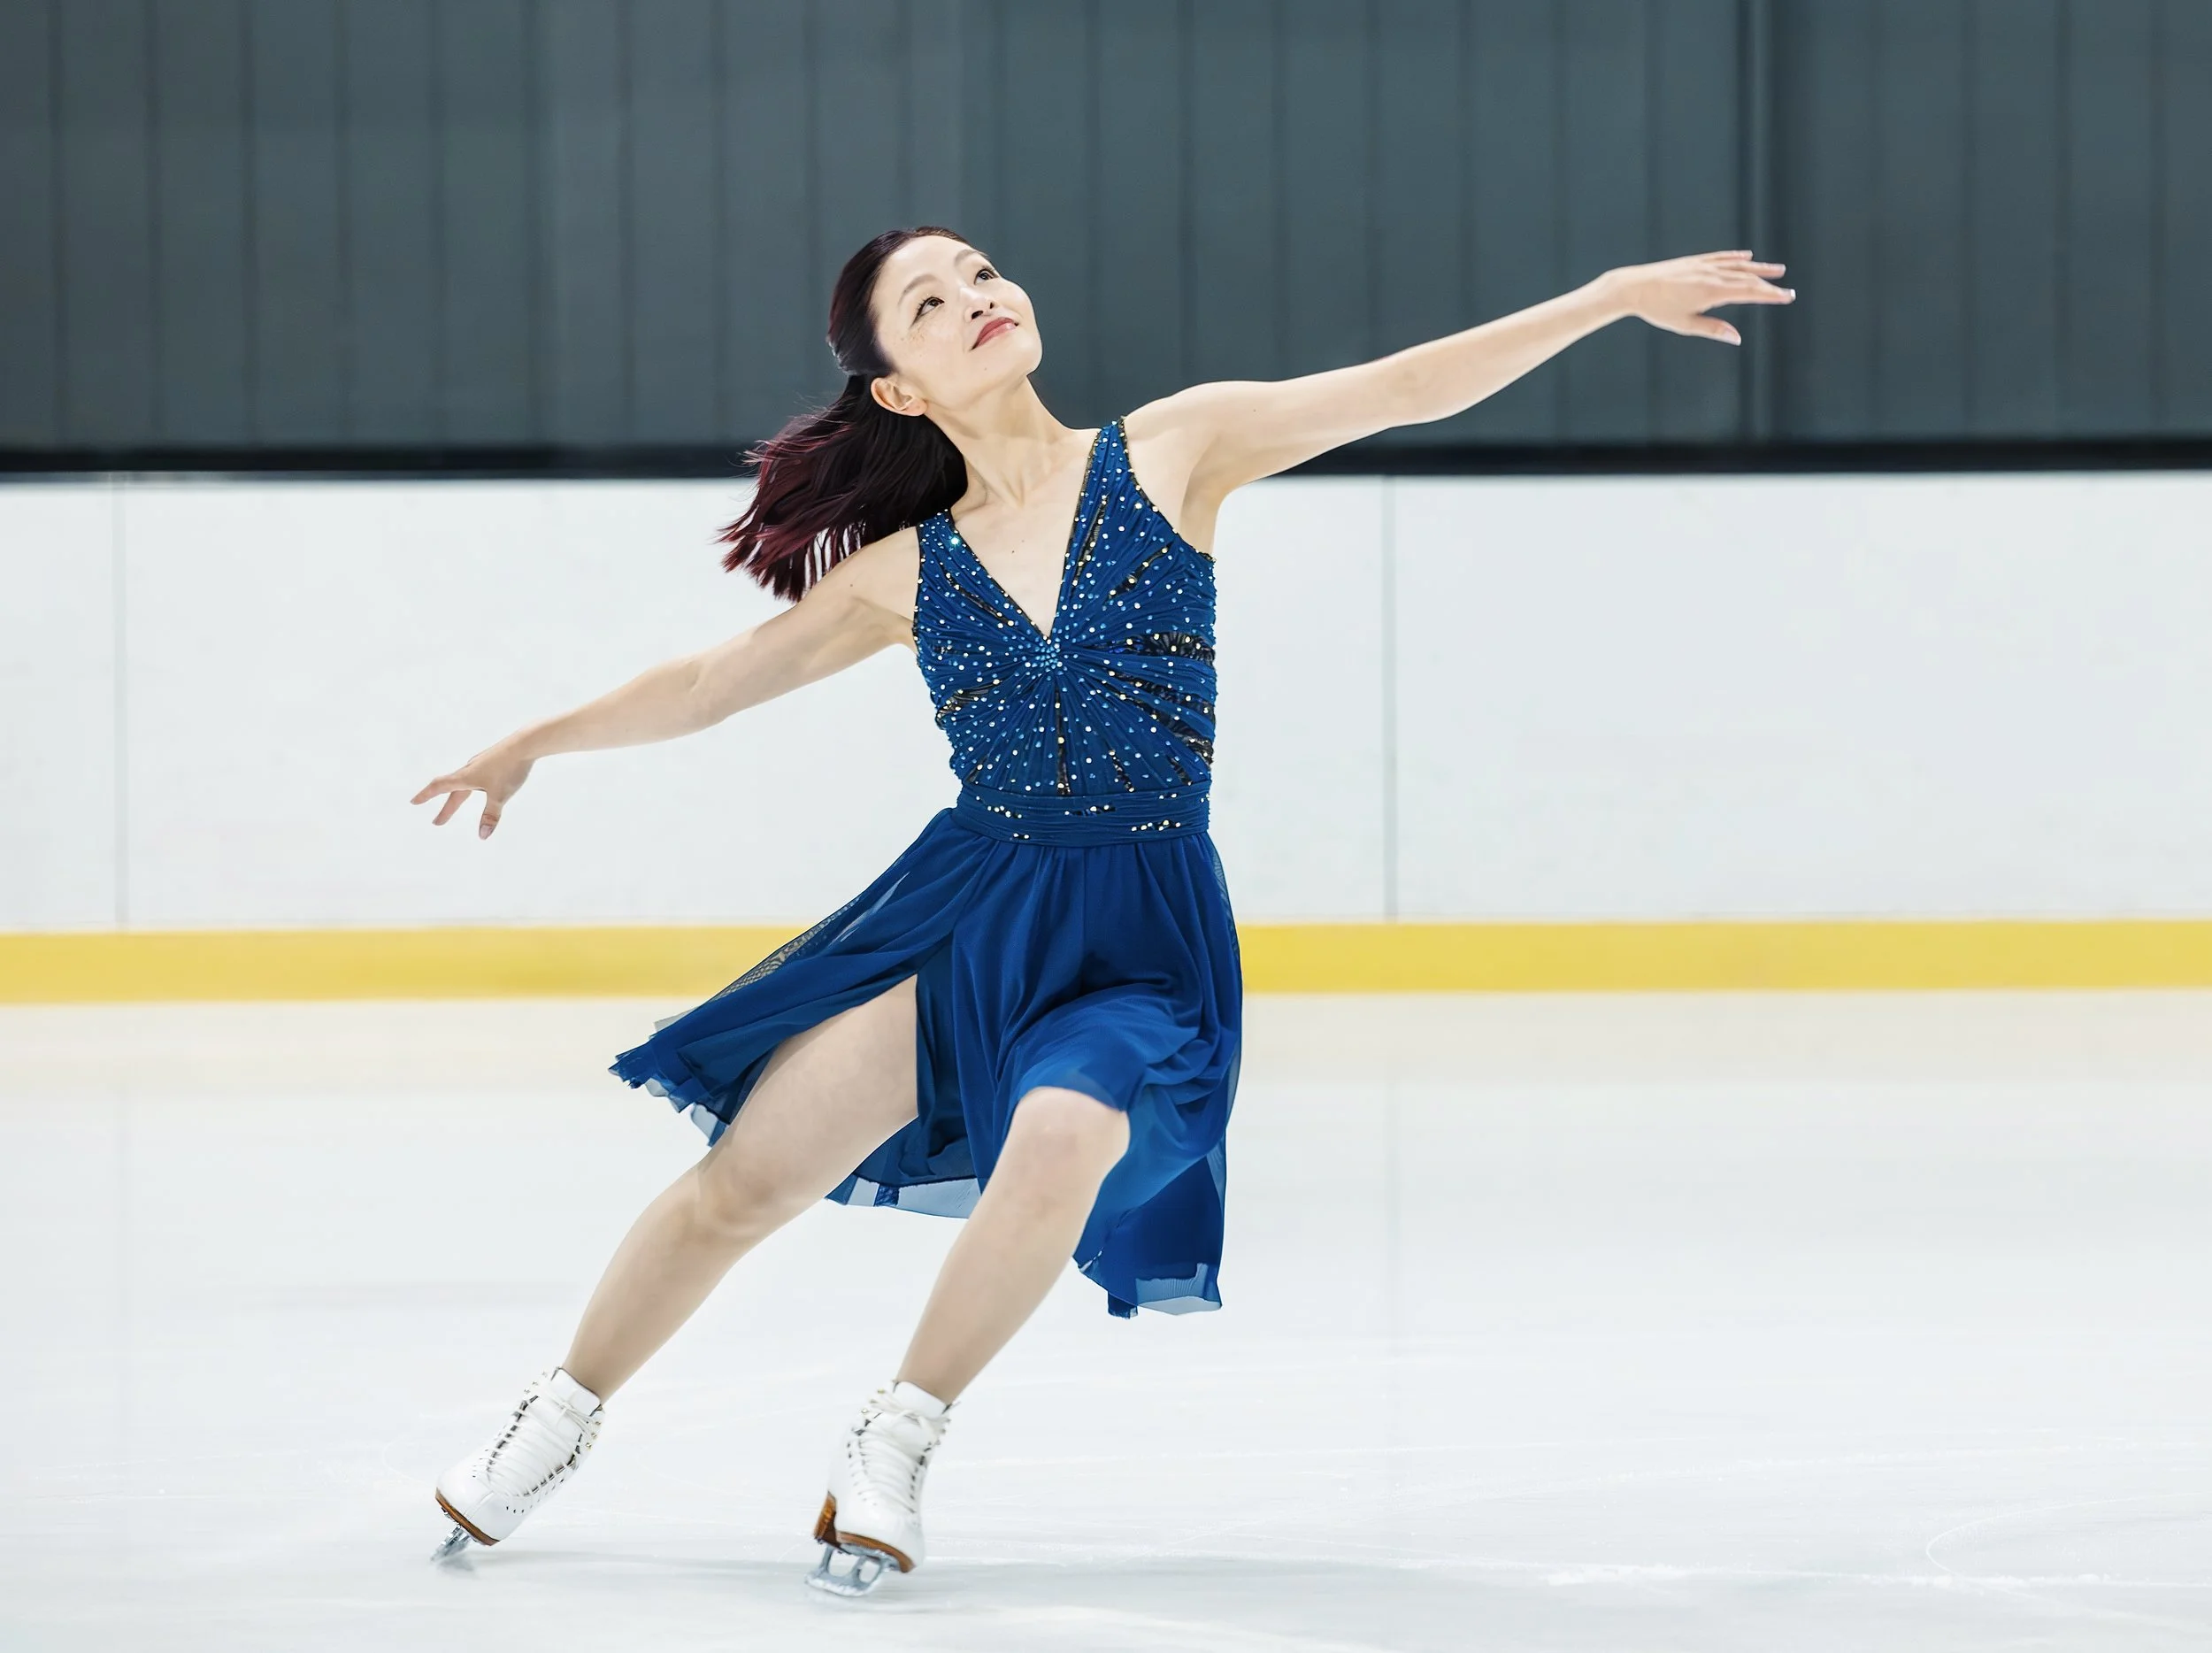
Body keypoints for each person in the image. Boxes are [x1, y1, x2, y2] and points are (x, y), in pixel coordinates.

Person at [411, 227, 1791, 1593]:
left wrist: (1605, 298)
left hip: (1141, 930)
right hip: (969, 916)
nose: (975, 298)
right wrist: (535, 741)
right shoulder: (905, 570)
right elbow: (714, 683)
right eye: (928, 303)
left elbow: (1401, 388)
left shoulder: (1172, 452)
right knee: (748, 1182)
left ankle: (896, 1438)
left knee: (1065, 1133)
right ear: (898, 388)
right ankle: (557, 1420)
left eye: (980, 273)